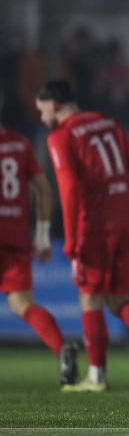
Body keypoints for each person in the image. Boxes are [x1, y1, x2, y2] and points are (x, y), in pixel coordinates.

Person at [35, 80, 129, 392]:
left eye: (41, 109)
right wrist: (122, 204)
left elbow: (69, 191)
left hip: (92, 226)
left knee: (89, 296)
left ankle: (96, 376)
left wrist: (71, 240)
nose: (41, 117)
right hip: (125, 216)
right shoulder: (109, 123)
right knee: (117, 298)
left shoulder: (61, 135)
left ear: (54, 105)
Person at [0, 90, 77, 384]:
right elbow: (43, 190)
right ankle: (61, 348)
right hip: (16, 236)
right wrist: (43, 235)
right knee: (22, 304)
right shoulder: (19, 144)